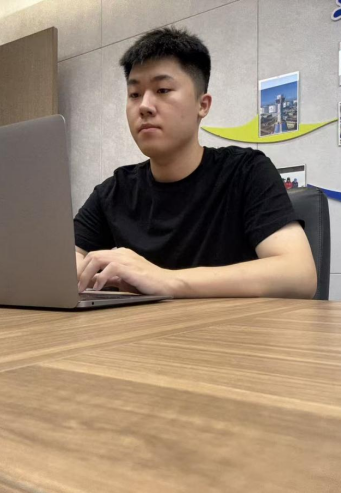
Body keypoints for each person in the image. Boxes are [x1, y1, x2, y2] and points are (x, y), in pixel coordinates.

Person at [74, 27, 317, 299]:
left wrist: (166, 281)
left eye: (162, 90)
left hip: (228, 326)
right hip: (139, 327)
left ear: (203, 105)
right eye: (134, 94)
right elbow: (63, 262)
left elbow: (300, 275)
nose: (144, 105)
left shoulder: (246, 171)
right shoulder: (113, 191)